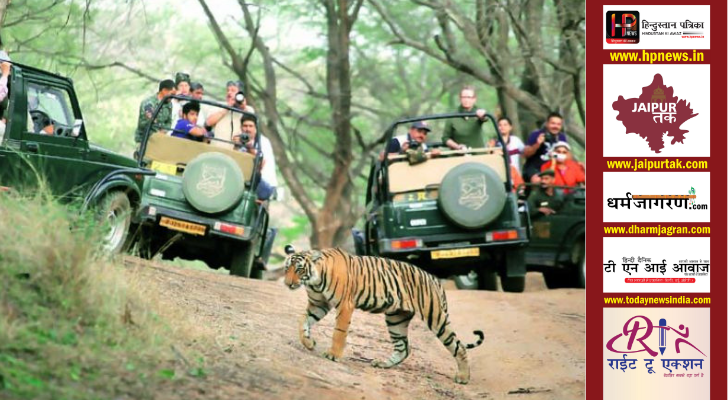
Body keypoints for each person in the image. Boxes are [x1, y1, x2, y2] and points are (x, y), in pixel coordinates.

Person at [239, 114, 278, 201]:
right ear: (241, 128)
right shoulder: (237, 140)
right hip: (241, 178)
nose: (248, 129)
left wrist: (250, 148)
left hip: (262, 182)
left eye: (250, 126)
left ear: (255, 129)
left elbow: (261, 164)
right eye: (245, 126)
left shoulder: (263, 142)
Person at [206, 80, 254, 149]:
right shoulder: (218, 106)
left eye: (233, 90)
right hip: (216, 148)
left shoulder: (248, 109)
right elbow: (208, 123)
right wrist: (227, 108)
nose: (229, 93)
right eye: (228, 90)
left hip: (235, 152)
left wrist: (243, 108)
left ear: (240, 94)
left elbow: (252, 131)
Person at [522, 112, 567, 183]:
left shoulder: (562, 137)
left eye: (558, 124)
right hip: (536, 168)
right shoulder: (536, 134)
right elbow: (525, 154)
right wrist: (537, 144)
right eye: (553, 123)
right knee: (538, 181)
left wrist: (556, 155)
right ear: (547, 124)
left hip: (554, 168)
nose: (556, 126)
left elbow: (567, 156)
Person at [443, 85, 487, 150]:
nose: (466, 100)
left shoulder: (478, 112)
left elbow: (484, 118)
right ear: (460, 98)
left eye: (469, 97)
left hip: (478, 154)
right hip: (459, 155)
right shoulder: (452, 116)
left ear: (474, 99)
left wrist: (482, 115)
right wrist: (458, 147)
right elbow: (445, 138)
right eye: (464, 97)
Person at [134, 79, 175, 144]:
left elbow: (168, 121)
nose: (173, 97)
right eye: (172, 94)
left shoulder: (169, 104)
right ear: (164, 90)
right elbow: (146, 123)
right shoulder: (148, 103)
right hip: (145, 140)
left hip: (160, 140)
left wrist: (164, 131)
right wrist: (157, 134)